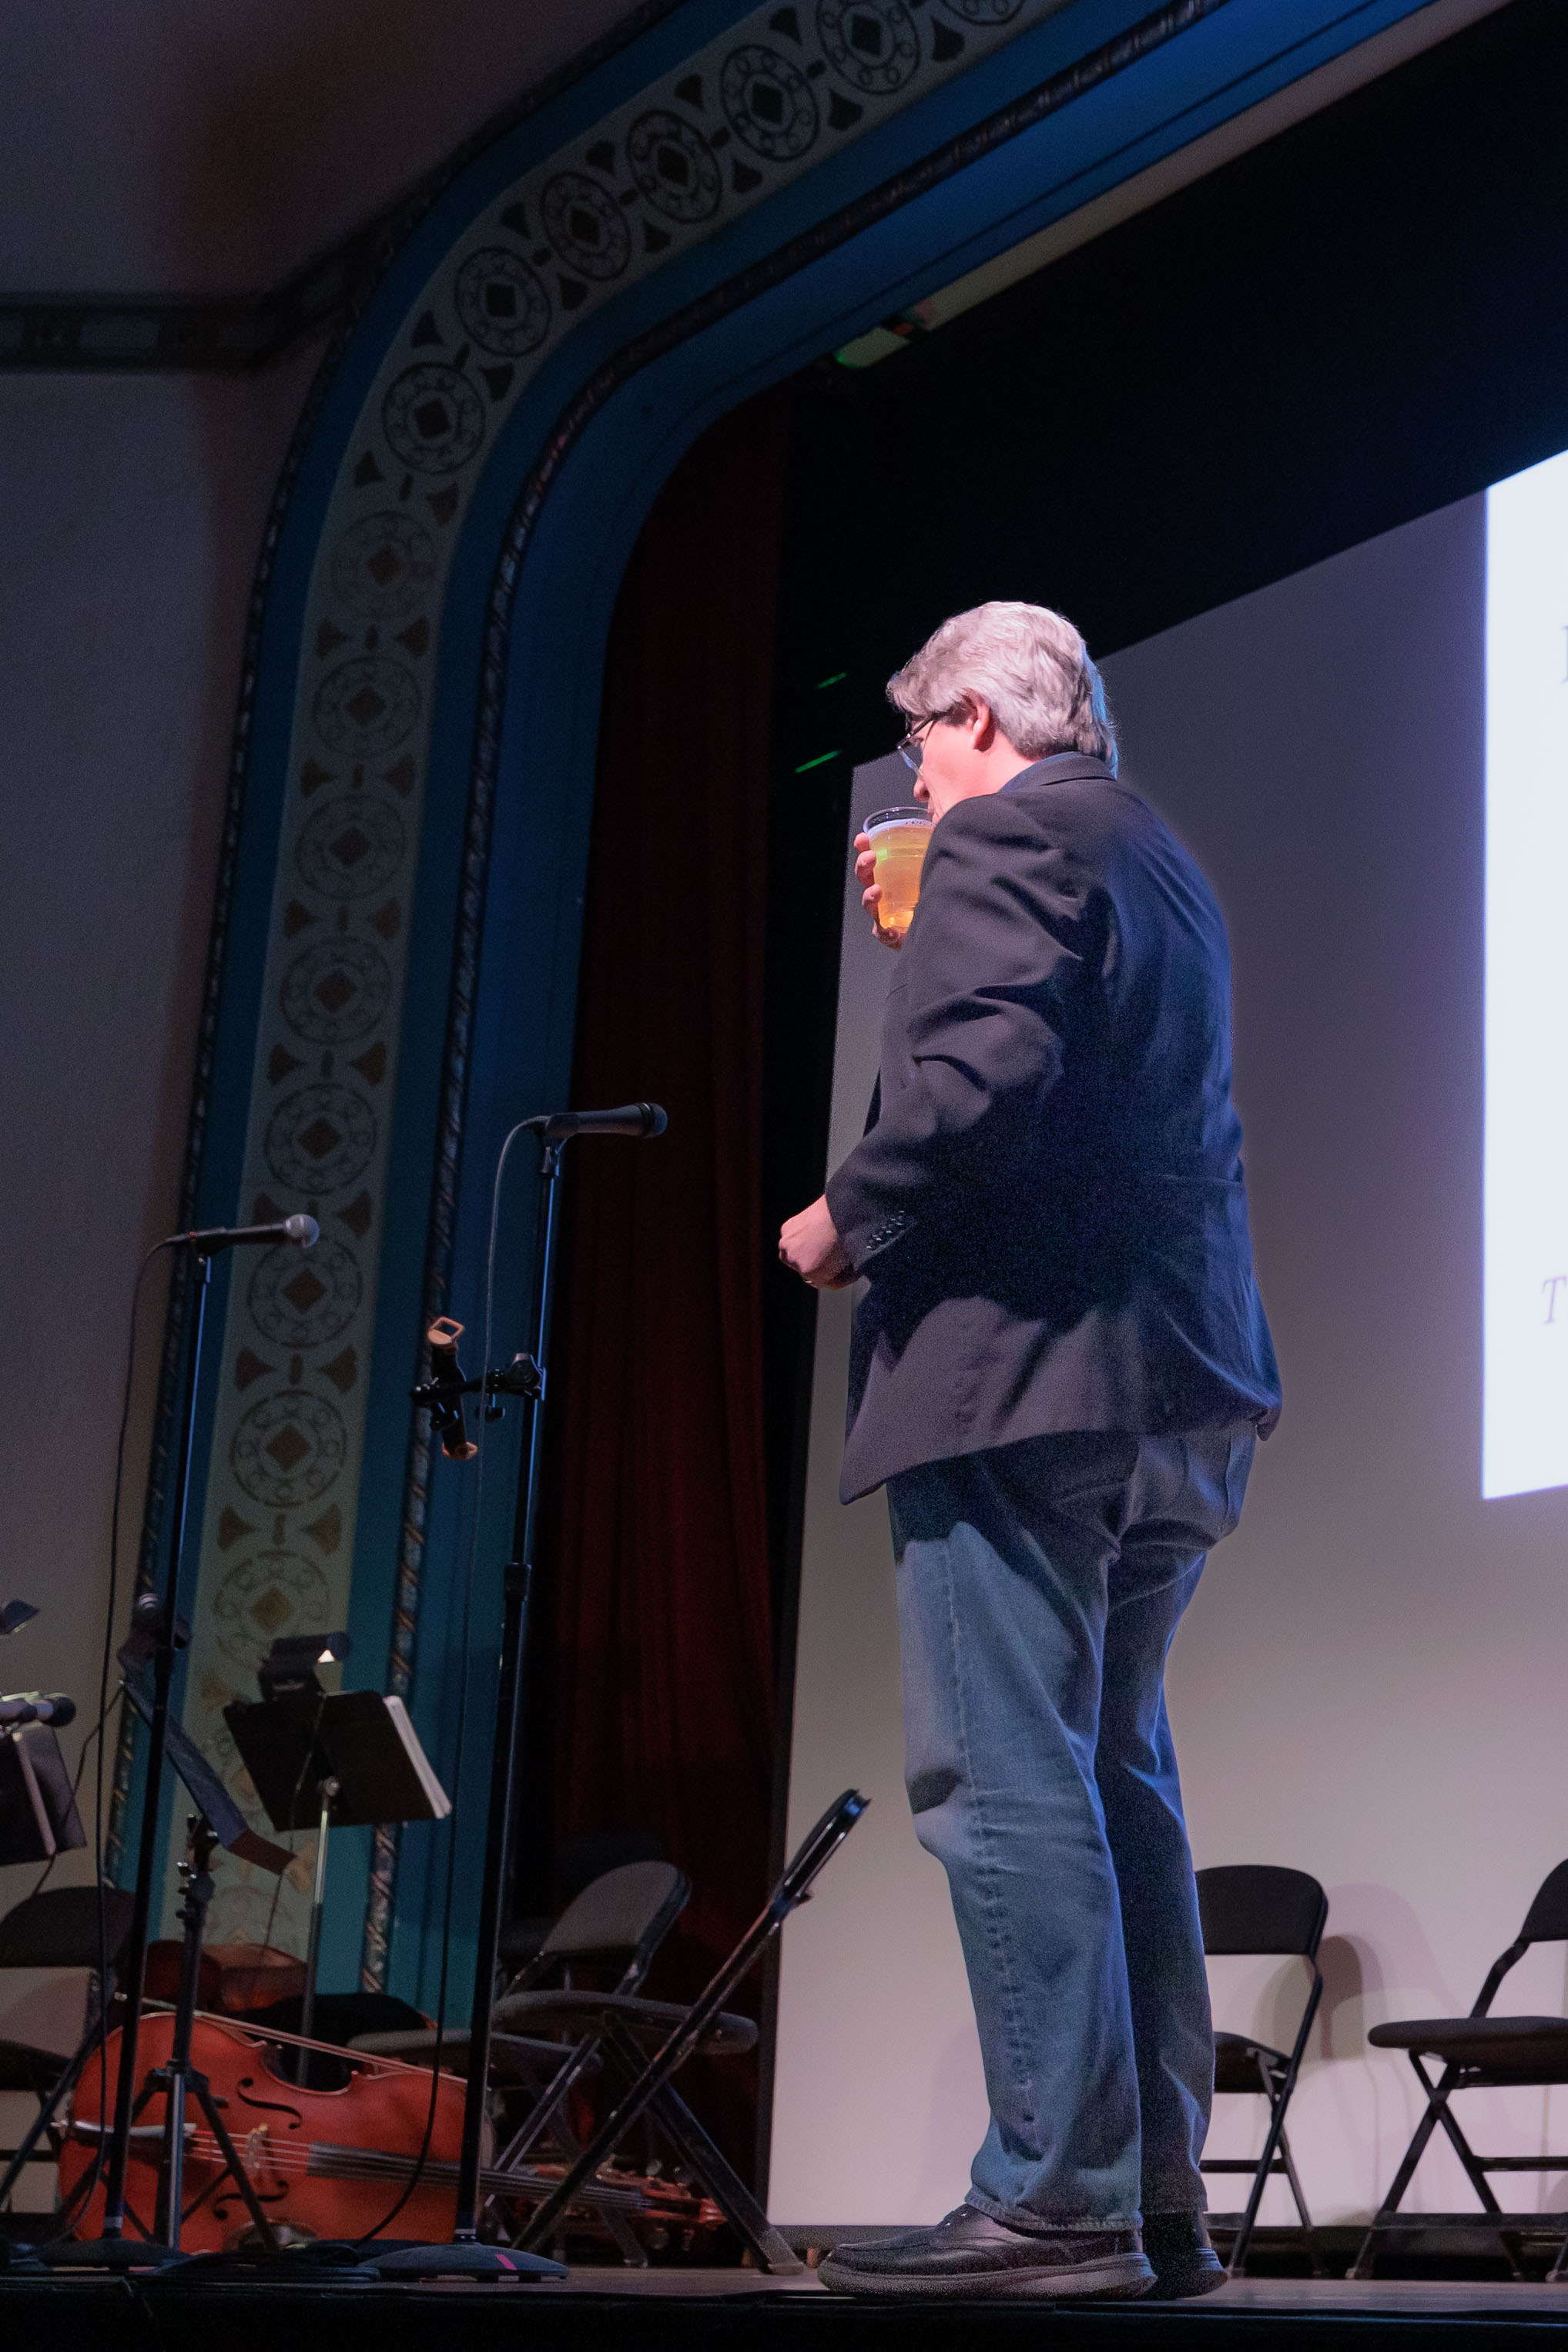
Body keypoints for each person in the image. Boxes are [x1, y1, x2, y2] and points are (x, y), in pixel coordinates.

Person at [779, 601, 1280, 2303]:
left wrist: (845, 1215)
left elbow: (984, 1077)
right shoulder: (1161, 859)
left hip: (1023, 1383)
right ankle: (1155, 2201)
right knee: (1116, 1775)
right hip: (1180, 1394)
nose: (911, 776)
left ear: (984, 720)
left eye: (920, 737)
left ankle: (1057, 2199)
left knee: (999, 1776)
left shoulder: (1000, 842)